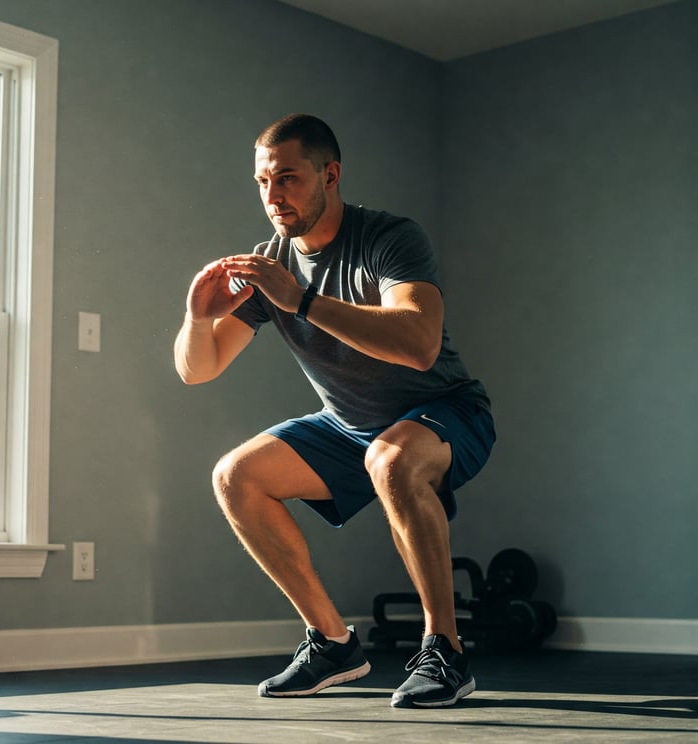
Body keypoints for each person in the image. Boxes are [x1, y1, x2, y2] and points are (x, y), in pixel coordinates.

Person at [173, 113, 495, 708]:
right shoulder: (270, 262)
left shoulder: (390, 239)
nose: (273, 197)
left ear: (330, 174)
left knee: (391, 460)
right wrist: (197, 316)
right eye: (263, 182)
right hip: (350, 425)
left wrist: (301, 299)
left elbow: (420, 343)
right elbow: (200, 367)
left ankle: (444, 650)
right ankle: (332, 642)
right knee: (236, 475)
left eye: (288, 178)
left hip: (446, 409)